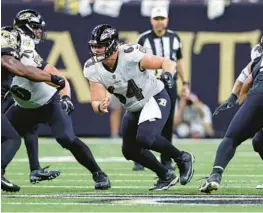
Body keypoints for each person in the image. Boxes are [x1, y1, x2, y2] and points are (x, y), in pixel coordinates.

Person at [5, 9, 111, 190]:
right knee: (6, 135)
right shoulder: (12, 48)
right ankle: (26, 171)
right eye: (36, 28)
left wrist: (66, 98)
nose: (39, 32)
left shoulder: (28, 52)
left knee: (66, 139)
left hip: (47, 103)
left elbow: (60, 79)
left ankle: (98, 173)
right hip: (23, 106)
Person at [84, 24, 194, 190]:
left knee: (145, 138)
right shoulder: (93, 68)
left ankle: (182, 157)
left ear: (112, 44)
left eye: (100, 46)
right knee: (129, 151)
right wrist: (100, 106)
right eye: (94, 46)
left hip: (154, 97)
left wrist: (167, 75)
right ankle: (165, 175)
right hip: (134, 107)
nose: (96, 50)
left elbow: (167, 62)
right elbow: (96, 101)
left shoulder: (130, 54)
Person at [1, 26, 65, 192]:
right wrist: (53, 78)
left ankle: (35, 169)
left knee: (25, 129)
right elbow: (22, 70)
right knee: (12, 139)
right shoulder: (7, 55)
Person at [133, 6, 190, 171]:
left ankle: (166, 159)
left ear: (167, 20)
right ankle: (140, 156)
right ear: (151, 20)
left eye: (162, 18)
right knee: (142, 119)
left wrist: (185, 83)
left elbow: (179, 61)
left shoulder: (174, 37)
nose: (159, 22)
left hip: (169, 84)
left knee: (168, 122)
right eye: (156, 19)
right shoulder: (143, 39)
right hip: (149, 84)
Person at [199, 53, 263, 193]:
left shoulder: (258, 57)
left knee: (232, 138)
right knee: (259, 141)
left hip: (258, 94)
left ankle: (215, 175)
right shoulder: (258, 58)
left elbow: (245, 79)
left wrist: (234, 97)